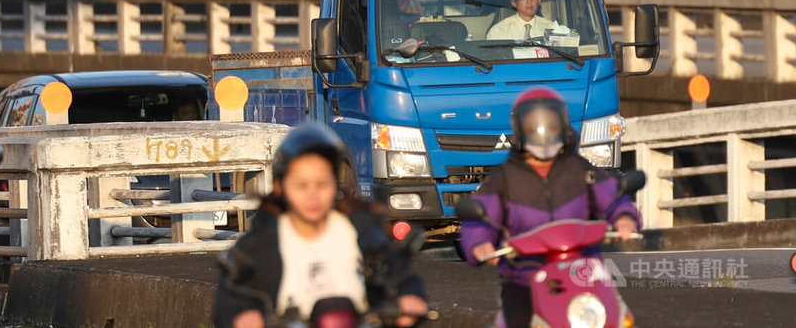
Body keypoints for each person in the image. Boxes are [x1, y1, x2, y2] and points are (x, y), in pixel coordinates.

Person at [214, 123, 428, 328]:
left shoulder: (363, 231)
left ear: (336, 183)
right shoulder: (259, 245)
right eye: (301, 185)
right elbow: (232, 298)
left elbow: (402, 275)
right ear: (280, 187)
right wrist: (241, 316)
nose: (313, 195)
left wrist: (410, 299)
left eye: (322, 184)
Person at [459, 87, 641, 328]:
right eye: (533, 126)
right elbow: (479, 220)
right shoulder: (503, 178)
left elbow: (614, 198)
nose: (542, 133)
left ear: (563, 126)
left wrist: (625, 218)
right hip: (523, 277)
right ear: (520, 130)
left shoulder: (581, 170)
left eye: (550, 124)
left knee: (620, 318)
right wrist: (479, 244)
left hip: (583, 272)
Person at [486, 0, 565, 40]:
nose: (530, 1)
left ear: (539, 0)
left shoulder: (551, 28)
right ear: (514, 2)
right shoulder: (498, 32)